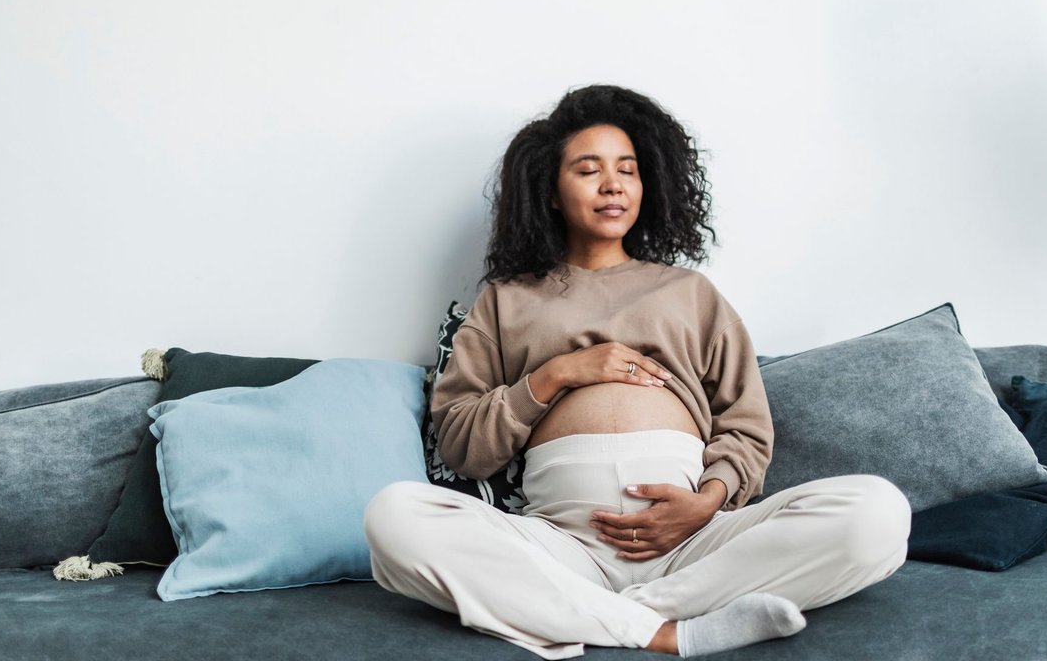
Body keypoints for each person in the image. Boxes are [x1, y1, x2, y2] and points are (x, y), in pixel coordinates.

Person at [364, 85, 911, 659]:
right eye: (587, 169)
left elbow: (747, 428)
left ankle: (605, 611)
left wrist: (711, 499)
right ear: (550, 192)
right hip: (560, 541)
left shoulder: (691, 294)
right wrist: (555, 376)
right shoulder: (505, 302)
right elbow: (461, 446)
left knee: (876, 514)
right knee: (394, 517)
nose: (612, 184)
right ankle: (665, 630)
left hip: (695, 537)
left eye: (627, 169)